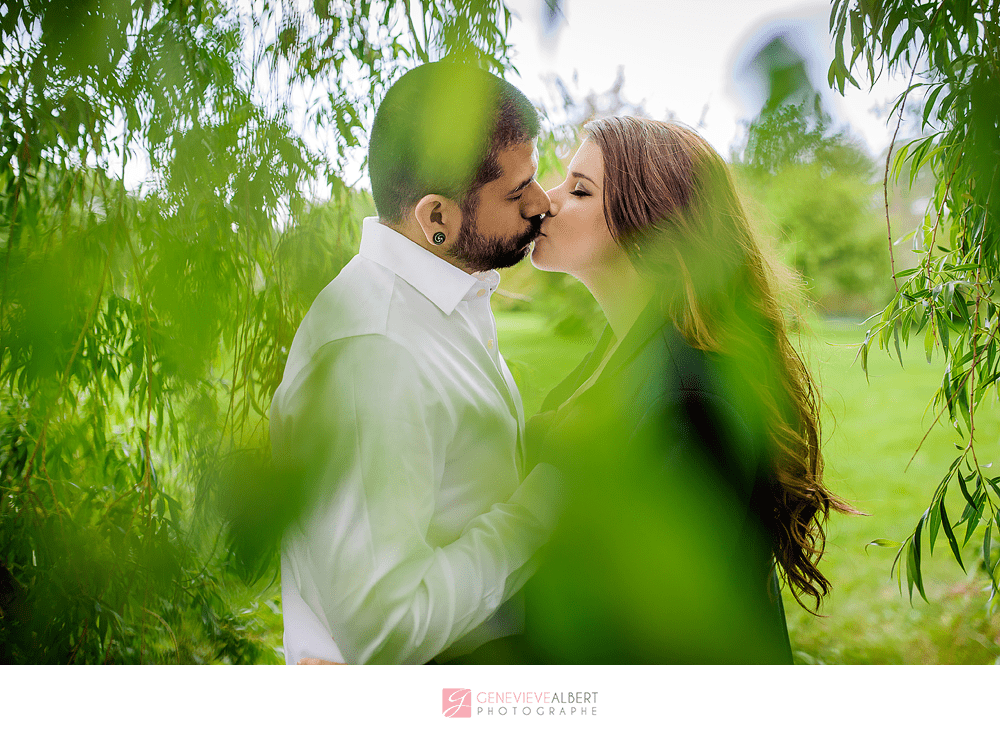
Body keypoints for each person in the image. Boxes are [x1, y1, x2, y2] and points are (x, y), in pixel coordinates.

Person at [513, 116, 857, 664]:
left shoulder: (690, 392)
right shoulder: (621, 345)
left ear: (650, 225)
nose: (544, 202)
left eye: (579, 189)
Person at [269, 62, 562, 665]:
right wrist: (540, 508)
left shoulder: (446, 291)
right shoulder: (373, 352)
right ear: (436, 220)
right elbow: (387, 630)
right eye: (516, 191)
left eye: (535, 177)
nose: (542, 202)